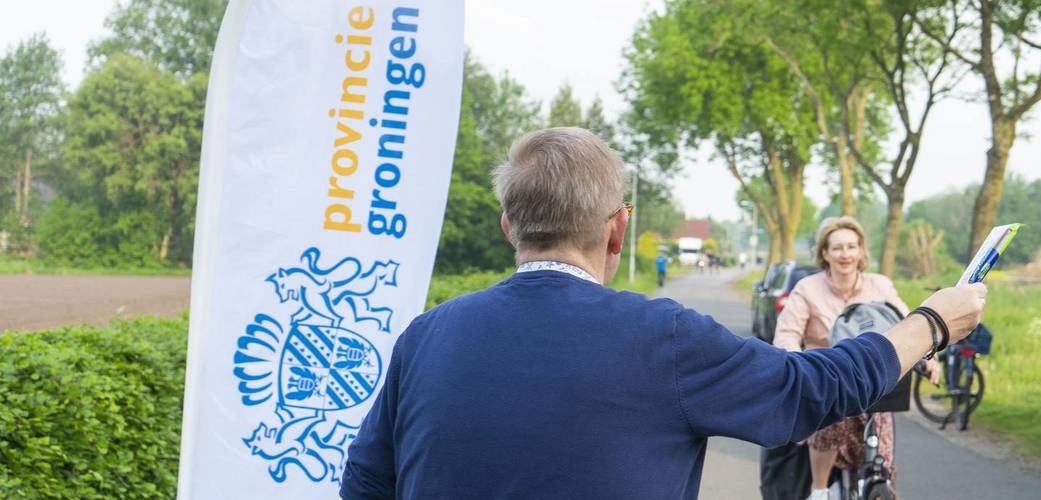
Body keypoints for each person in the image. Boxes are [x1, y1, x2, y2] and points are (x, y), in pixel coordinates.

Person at [339, 127, 988, 499]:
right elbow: (812, 390)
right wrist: (930, 322)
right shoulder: (664, 336)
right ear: (618, 231)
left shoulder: (424, 336)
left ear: (510, 224)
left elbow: (366, 483)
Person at [772, 216, 917, 500]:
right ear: (825, 253)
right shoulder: (807, 288)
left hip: (874, 380)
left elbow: (909, 325)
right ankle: (819, 490)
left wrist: (928, 358)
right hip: (828, 375)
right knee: (831, 407)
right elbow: (788, 332)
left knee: (883, 456)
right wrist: (796, 364)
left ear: (862, 251)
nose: (845, 254)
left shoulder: (880, 286)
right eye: (837, 248)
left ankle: (879, 485)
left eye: (852, 246)